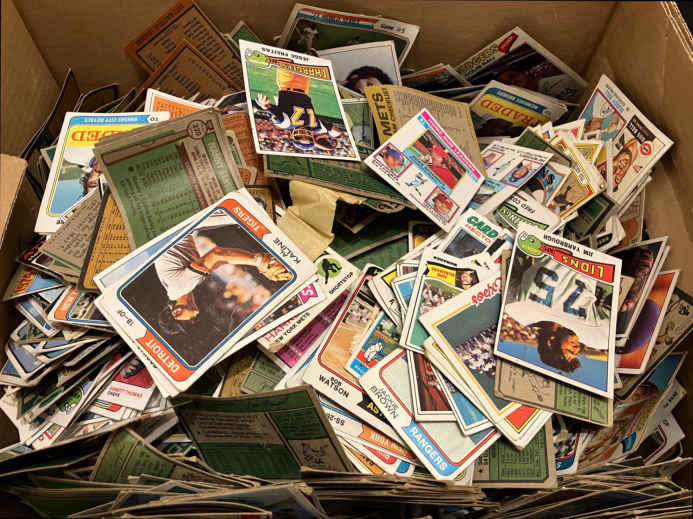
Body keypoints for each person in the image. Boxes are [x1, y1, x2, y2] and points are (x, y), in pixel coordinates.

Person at [155, 232, 290, 326]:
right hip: (183, 231)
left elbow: (216, 254)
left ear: (177, 312)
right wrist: (259, 263)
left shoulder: (180, 288)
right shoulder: (180, 288)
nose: (194, 319)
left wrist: (259, 260)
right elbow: (220, 261)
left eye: (189, 321)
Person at [253, 67, 345, 154]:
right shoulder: (315, 126)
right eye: (307, 137)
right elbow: (337, 132)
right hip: (302, 86)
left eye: (300, 137)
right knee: (303, 61)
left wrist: (263, 104)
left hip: (287, 83)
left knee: (287, 60)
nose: (303, 134)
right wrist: (319, 138)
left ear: (292, 137)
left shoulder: (287, 124)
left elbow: (267, 107)